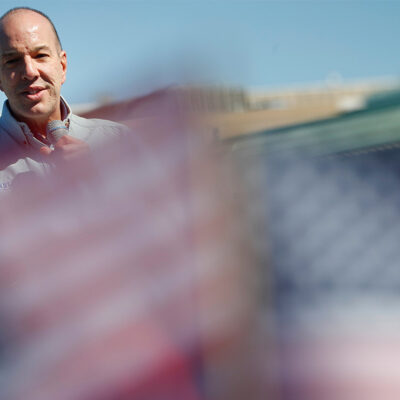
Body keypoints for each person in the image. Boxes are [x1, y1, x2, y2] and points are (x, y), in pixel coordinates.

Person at [0, 7, 127, 190]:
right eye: (12, 61)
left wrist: (100, 177)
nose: (29, 71)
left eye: (41, 55)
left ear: (63, 66)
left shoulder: (118, 141)